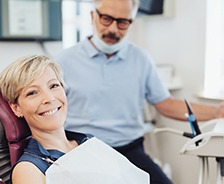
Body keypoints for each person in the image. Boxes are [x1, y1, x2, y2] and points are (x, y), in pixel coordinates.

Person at [53, 0, 224, 183]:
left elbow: (165, 104)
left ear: (131, 22)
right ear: (92, 16)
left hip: (129, 150)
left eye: (122, 22)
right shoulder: (64, 61)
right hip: (81, 150)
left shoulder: (141, 59)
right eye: (106, 19)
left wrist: (217, 112)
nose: (113, 29)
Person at [0, 55, 150, 184]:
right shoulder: (29, 170)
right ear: (16, 108)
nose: (49, 98)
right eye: (32, 93)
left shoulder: (87, 142)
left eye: (54, 86)